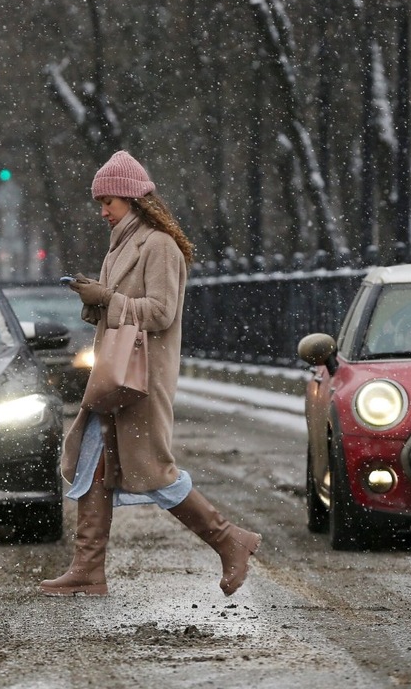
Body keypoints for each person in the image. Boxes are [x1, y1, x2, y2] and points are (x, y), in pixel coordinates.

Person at [39, 150, 261, 598]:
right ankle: (88, 569)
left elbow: (161, 312)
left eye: (109, 202)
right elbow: (116, 311)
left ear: (134, 200)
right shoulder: (121, 244)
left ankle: (229, 539)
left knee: (155, 472)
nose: (102, 211)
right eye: (100, 202)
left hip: (139, 379)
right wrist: (94, 296)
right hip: (114, 375)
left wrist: (108, 299)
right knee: (92, 462)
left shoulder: (158, 244)